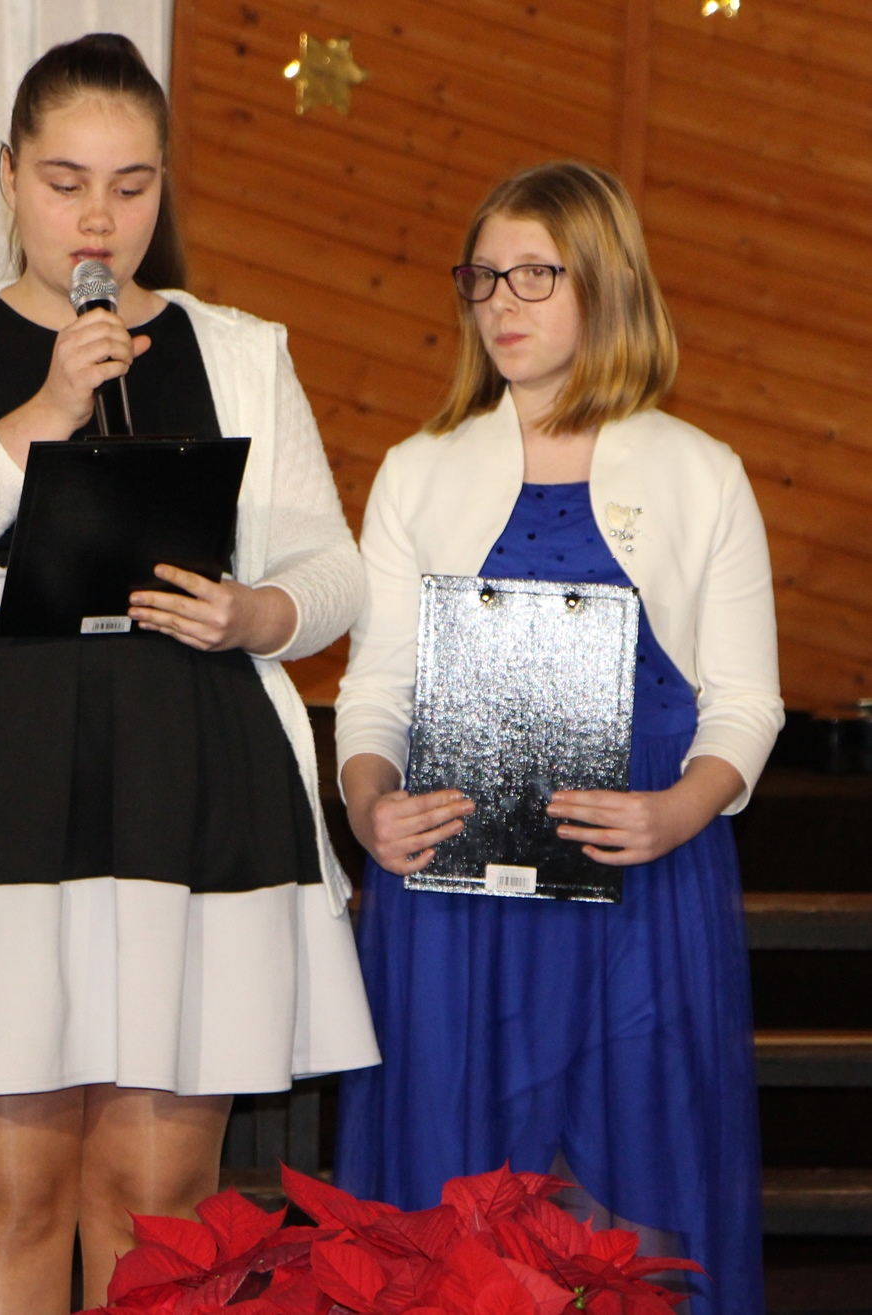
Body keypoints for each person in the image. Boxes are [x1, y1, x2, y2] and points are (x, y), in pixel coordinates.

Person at [0, 32, 377, 1314]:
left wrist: (257, 610)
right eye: (65, 183)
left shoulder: (239, 347)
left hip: (192, 788)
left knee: (159, 1203)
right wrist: (36, 419)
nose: (99, 219)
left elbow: (334, 569)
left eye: (130, 185)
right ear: (7, 176)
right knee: (9, 1194)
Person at [333, 161, 782, 1312]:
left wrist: (678, 809)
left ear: (605, 283)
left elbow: (746, 703)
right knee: (453, 1208)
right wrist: (369, 803)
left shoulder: (702, 473)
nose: (503, 302)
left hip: (643, 882)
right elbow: (376, 688)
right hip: (454, 890)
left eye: (536, 274)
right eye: (484, 277)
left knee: (634, 1191)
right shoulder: (419, 470)